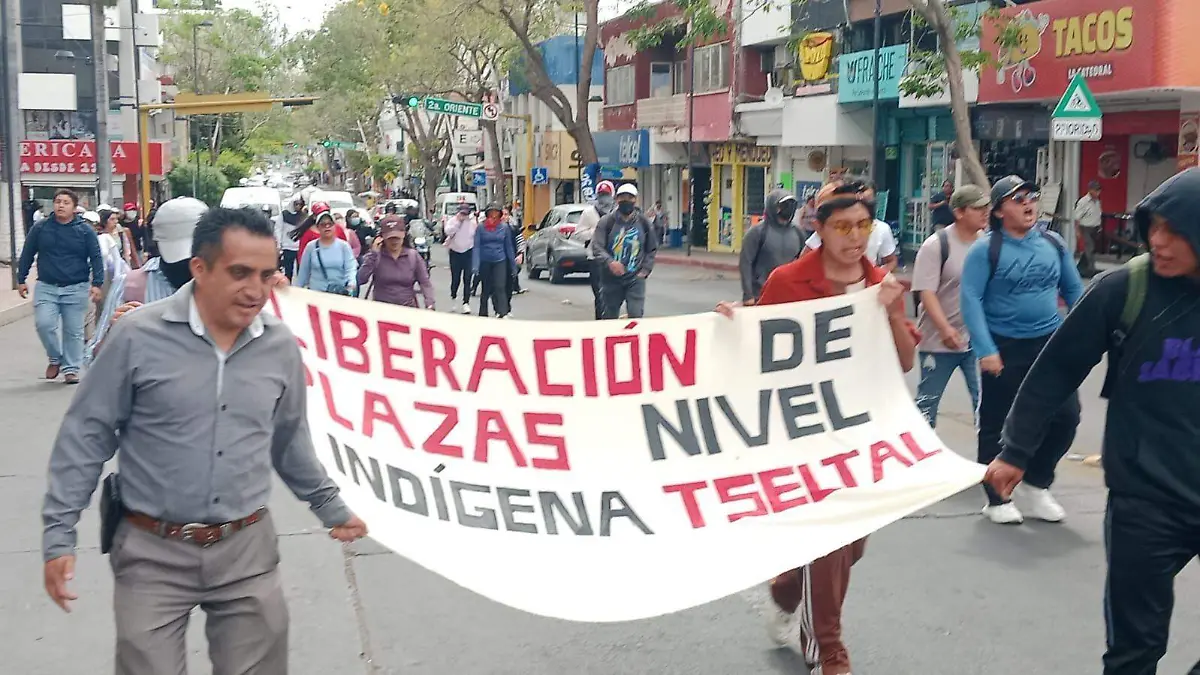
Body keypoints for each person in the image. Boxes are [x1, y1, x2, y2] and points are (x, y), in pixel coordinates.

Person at [41, 206, 367, 673]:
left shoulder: (278, 346)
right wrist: (59, 536)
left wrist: (331, 508)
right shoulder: (137, 337)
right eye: (239, 273)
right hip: (151, 552)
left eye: (265, 274)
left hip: (246, 551)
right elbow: (84, 438)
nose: (255, 289)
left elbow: (289, 439)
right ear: (200, 267)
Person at [987, 169, 1200, 675]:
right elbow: (1055, 371)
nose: (1157, 240)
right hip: (1146, 502)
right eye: (1153, 226)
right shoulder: (1125, 289)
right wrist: (1016, 450)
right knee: (1135, 650)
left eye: (1175, 231)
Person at [715, 181, 916, 675]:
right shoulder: (788, 281)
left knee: (853, 544)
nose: (854, 237)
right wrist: (733, 326)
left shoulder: (880, 285)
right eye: (842, 226)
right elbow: (762, 347)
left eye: (862, 226)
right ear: (819, 229)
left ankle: (786, 589)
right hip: (803, 433)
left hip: (862, 431)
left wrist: (890, 311)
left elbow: (906, 361)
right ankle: (829, 648)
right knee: (829, 537)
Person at [959, 175, 1085, 525]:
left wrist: (1084, 336)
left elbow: (1075, 292)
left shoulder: (1053, 242)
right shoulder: (986, 249)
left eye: (1031, 197)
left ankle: (1036, 481)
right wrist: (985, 349)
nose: (1028, 203)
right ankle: (996, 498)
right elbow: (971, 299)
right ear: (999, 211)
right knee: (999, 422)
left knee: (1066, 417)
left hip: (1049, 342)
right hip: (1004, 344)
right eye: (1017, 199)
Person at [911, 185, 989, 427]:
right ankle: (921, 457)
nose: (985, 213)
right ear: (959, 212)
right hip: (939, 342)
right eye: (978, 208)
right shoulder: (936, 245)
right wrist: (945, 329)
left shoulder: (986, 244)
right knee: (927, 405)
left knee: (987, 404)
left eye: (986, 207)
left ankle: (989, 458)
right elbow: (926, 293)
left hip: (977, 340)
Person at [16, 189, 104, 385]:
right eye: (58, 202)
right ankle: (55, 358)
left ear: (74, 207)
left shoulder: (85, 230)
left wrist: (97, 284)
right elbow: (27, 253)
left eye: (66, 202)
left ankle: (71, 369)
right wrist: (20, 279)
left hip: (76, 287)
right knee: (44, 324)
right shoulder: (40, 228)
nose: (61, 205)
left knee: (74, 331)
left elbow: (96, 258)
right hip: (47, 286)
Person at [591, 184, 657, 320]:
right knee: (609, 316)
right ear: (616, 200)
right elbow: (597, 247)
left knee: (636, 315)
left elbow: (651, 248)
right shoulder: (607, 222)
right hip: (610, 279)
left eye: (630, 197)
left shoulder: (644, 222)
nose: (626, 200)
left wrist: (645, 271)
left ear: (635, 200)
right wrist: (610, 262)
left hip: (635, 277)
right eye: (622, 197)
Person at [802, 181, 898, 271]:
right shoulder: (830, 227)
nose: (855, 236)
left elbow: (891, 261)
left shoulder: (882, 228)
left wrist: (876, 276)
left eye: (864, 226)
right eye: (844, 228)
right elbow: (804, 259)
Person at [738, 188, 803, 305]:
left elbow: (804, 261)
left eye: (791, 204)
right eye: (783, 205)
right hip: (761, 294)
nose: (788, 208)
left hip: (789, 295)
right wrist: (748, 294)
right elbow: (745, 263)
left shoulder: (798, 232)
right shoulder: (758, 232)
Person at [358, 215, 434, 309]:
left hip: (408, 309)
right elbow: (361, 279)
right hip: (381, 310)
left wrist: (429, 303)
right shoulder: (375, 256)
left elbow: (425, 282)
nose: (394, 242)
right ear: (382, 238)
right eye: (390, 238)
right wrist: (373, 255)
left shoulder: (413, 256)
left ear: (404, 235)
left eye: (397, 238)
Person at [579, 180, 618, 319]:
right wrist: (595, 232)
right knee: (599, 294)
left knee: (614, 293)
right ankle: (600, 322)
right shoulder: (589, 212)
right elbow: (579, 233)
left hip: (615, 258)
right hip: (595, 259)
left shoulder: (617, 212)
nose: (604, 198)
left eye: (606, 194)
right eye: (601, 194)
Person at [296, 207, 357, 295]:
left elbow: (350, 267)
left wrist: (351, 285)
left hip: (338, 294)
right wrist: (298, 292)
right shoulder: (311, 247)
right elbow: (303, 272)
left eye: (330, 224)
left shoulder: (344, 246)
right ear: (318, 228)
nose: (327, 227)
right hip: (316, 294)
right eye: (323, 224)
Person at [471, 203, 517, 318]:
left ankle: (503, 312)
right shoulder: (481, 228)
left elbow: (509, 247)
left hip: (500, 260)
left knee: (500, 286)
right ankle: (483, 313)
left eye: (496, 213)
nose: (493, 216)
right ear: (487, 214)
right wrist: (475, 265)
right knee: (486, 288)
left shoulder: (504, 228)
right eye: (491, 213)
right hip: (485, 260)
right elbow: (476, 246)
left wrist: (513, 266)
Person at [444, 202, 478, 313]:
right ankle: (453, 299)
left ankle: (466, 302)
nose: (464, 215)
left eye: (466, 213)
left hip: (468, 252)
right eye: (462, 213)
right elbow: (448, 231)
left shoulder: (472, 223)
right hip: (455, 252)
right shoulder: (453, 221)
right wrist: (458, 222)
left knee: (467, 279)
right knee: (456, 278)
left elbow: (475, 235)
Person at [1075, 179, 1103, 276]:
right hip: (1085, 227)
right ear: (1090, 190)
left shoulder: (1097, 201)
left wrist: (1100, 226)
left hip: (1095, 228)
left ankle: (1081, 266)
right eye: (1096, 190)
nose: (1098, 193)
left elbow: (1098, 214)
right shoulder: (1083, 202)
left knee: (1091, 248)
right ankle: (1091, 268)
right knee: (1089, 247)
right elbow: (1077, 217)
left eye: (1099, 190)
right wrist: (1077, 231)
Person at [277, 196, 306, 279]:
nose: (298, 206)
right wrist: (279, 243)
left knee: (301, 270)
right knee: (288, 270)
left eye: (300, 204)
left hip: (300, 247)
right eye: (296, 204)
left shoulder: (304, 216)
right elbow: (278, 228)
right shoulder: (284, 215)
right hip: (287, 246)